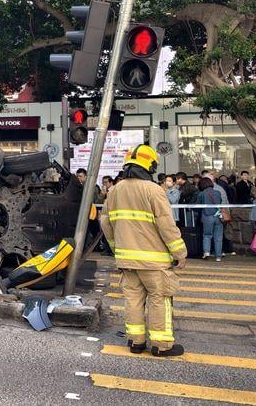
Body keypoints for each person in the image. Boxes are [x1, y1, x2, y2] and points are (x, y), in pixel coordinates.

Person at [100, 144, 187, 357]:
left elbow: (106, 223)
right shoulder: (153, 190)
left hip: (127, 260)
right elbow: (166, 225)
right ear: (151, 166)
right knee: (159, 299)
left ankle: (135, 341)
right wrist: (180, 253)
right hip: (154, 260)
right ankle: (161, 345)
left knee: (133, 300)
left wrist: (116, 249)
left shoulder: (115, 190)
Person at [196, 178, 223, 261]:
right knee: (218, 237)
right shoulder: (218, 193)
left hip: (207, 216)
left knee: (207, 235)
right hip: (218, 216)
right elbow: (220, 202)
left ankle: (206, 252)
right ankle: (218, 256)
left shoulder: (202, 194)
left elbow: (197, 205)